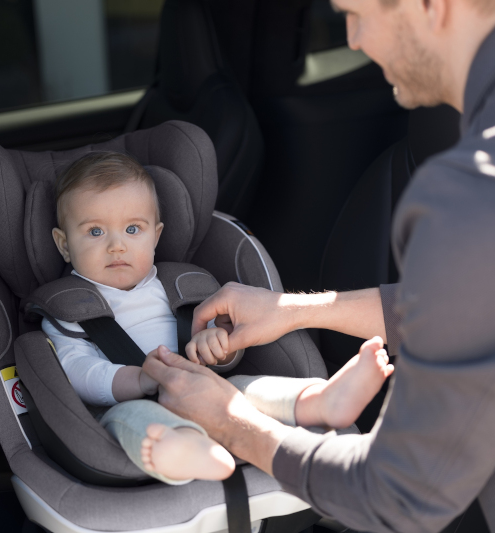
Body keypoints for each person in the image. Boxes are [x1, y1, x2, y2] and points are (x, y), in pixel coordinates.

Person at [141, 0, 495, 530]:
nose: (355, 41)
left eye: (356, 16)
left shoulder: (490, 186)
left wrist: (233, 422)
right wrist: (290, 311)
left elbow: (398, 494)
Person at [42, 151, 394, 484]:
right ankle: (184, 448)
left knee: (246, 391)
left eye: (132, 229)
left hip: (206, 389)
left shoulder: (177, 286)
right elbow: (76, 371)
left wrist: (213, 345)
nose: (116, 245)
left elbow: (213, 340)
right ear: (63, 244)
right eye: (95, 231)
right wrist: (136, 381)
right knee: (133, 422)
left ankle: (320, 399)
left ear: (156, 236)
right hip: (128, 400)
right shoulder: (68, 310)